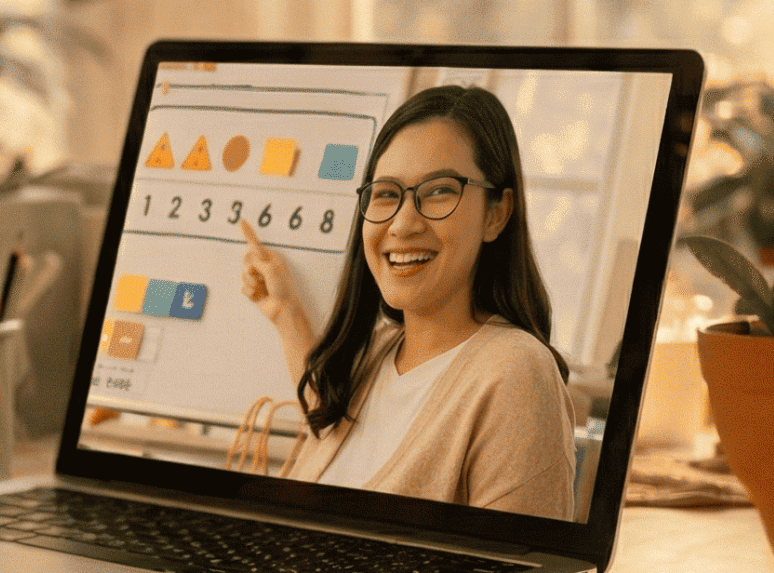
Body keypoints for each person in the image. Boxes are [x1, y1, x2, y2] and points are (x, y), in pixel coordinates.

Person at [235, 83, 577, 517]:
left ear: (496, 213)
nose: (402, 224)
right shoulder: (375, 352)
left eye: (438, 191)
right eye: (386, 193)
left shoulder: (515, 374)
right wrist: (285, 313)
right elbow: (332, 417)